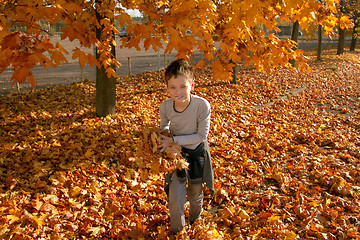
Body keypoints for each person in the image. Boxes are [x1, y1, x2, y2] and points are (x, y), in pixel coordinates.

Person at [159, 59, 214, 234]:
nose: (178, 92)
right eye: (173, 87)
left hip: (197, 154)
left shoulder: (201, 105)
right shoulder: (165, 107)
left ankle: (195, 221)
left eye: (183, 86)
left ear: (192, 84)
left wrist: (173, 139)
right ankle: (178, 232)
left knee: (195, 194)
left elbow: (201, 136)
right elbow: (165, 127)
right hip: (177, 156)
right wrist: (163, 136)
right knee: (175, 198)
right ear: (167, 88)